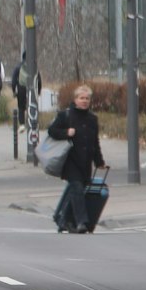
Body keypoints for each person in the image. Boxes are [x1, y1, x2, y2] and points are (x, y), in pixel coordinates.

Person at [48, 85, 107, 234]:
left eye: (87, 98)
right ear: (75, 100)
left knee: (77, 192)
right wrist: (66, 132)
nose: (84, 101)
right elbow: (52, 131)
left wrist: (99, 161)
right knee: (77, 188)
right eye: (81, 98)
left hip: (85, 162)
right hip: (70, 161)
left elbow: (95, 142)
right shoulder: (66, 116)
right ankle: (81, 221)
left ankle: (64, 220)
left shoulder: (92, 119)